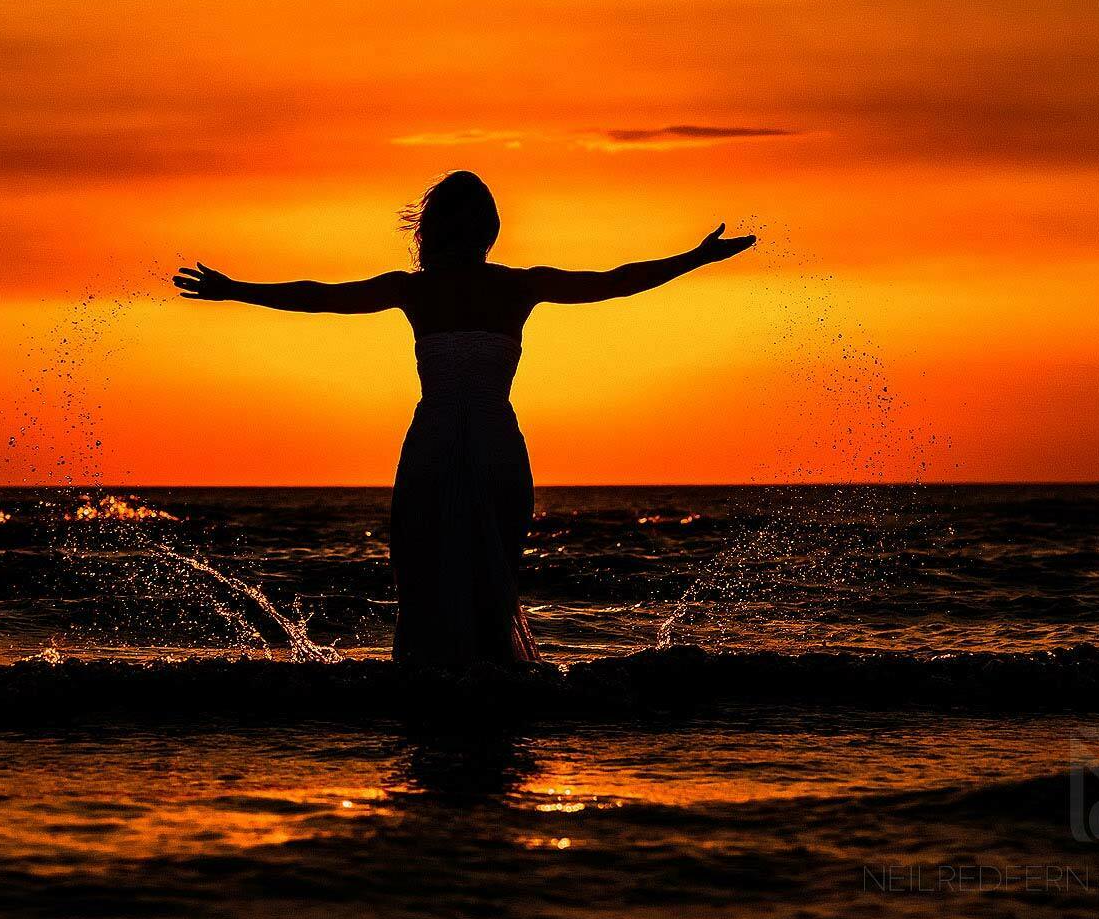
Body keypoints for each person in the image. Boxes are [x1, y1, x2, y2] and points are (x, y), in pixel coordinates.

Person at [173, 170, 755, 666]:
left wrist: (237, 289)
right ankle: (491, 697)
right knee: (494, 574)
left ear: (433, 229)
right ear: (489, 229)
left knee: (421, 575)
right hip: (496, 442)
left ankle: (428, 697)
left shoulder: (416, 289)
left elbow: (319, 295)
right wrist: (695, 258)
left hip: (433, 443)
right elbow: (618, 281)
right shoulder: (517, 285)